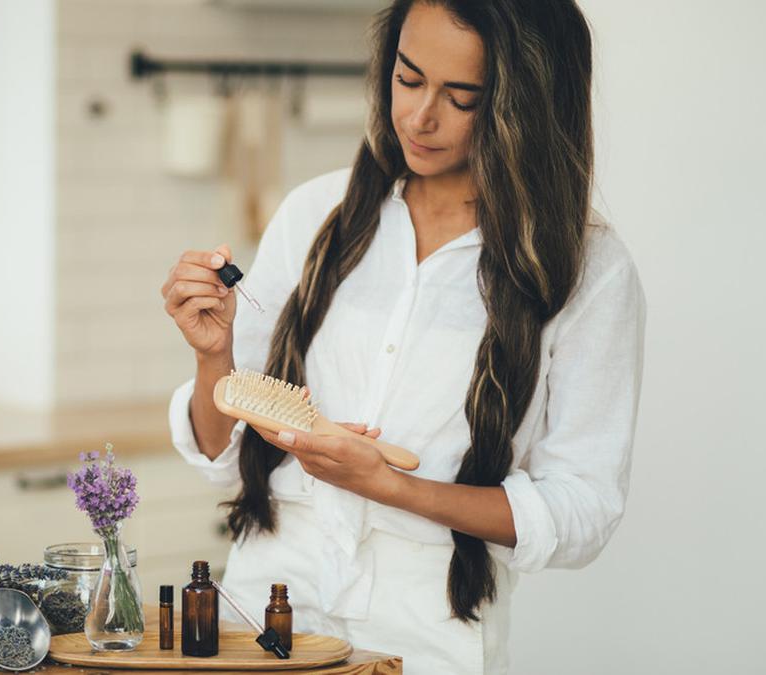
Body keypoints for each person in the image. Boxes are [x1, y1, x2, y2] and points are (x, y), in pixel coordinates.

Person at [160, 0, 645, 672]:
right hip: (261, 616)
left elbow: (582, 510)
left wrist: (393, 487)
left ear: (523, 107)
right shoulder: (314, 214)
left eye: (461, 96)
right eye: (408, 79)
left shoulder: (589, 271)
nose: (420, 117)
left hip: (426, 640)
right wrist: (213, 356)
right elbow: (221, 447)